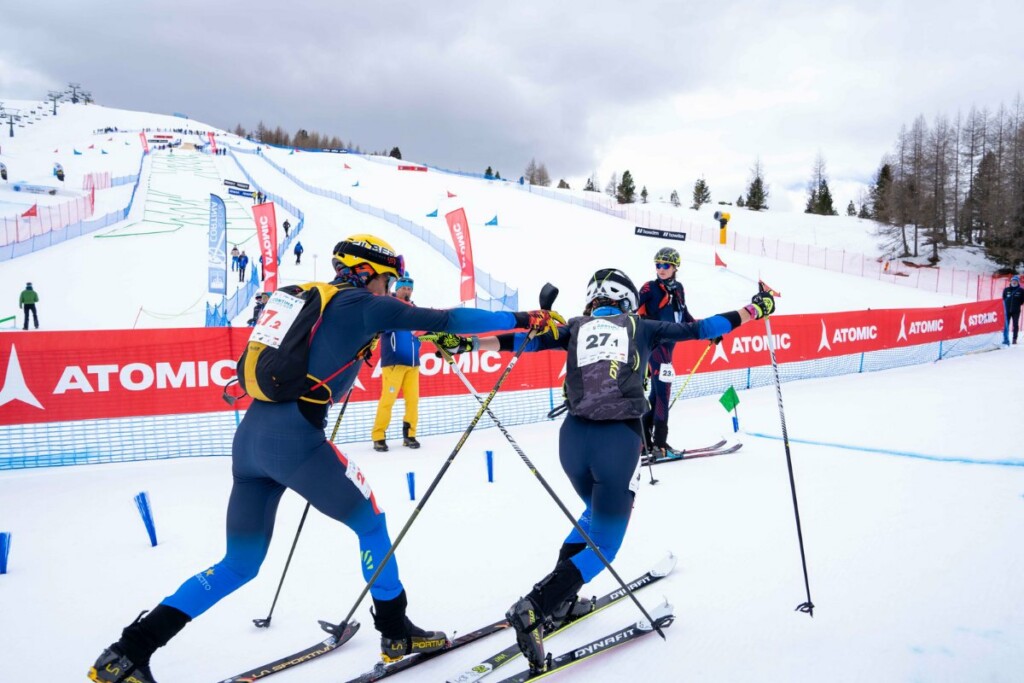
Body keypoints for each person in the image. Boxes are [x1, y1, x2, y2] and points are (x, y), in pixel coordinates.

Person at [87, 234, 564, 683]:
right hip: (294, 440)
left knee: (239, 563)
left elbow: (379, 346)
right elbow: (445, 320)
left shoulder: (310, 299)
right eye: (388, 279)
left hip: (252, 436)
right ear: (365, 271)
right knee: (372, 524)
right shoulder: (361, 303)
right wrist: (524, 319)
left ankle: (126, 654)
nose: (391, 289)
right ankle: (396, 633)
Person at [427, 268, 775, 675]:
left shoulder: (574, 327)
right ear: (627, 300)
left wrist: (464, 345)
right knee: (606, 543)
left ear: (592, 300)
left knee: (591, 515)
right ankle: (536, 607)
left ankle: (563, 601)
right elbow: (703, 328)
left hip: (572, 441)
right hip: (617, 442)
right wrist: (757, 309)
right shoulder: (642, 326)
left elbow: (520, 341)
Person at [636, 247, 694, 457]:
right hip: (656, 346)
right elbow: (632, 312)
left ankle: (644, 442)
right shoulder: (648, 288)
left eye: (665, 265)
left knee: (656, 394)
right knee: (663, 394)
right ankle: (660, 444)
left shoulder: (678, 288)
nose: (661, 269)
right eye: (658, 265)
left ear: (675, 267)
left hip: (670, 347)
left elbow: (684, 314)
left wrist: (706, 331)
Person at [371, 274, 421, 451]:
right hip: (394, 363)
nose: (406, 291)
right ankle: (379, 436)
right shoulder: (388, 306)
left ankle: (410, 435)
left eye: (409, 289)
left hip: (413, 363)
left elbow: (420, 331)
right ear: (396, 289)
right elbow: (380, 327)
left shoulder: (414, 309)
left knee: (413, 401)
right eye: (403, 288)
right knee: (388, 400)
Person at [1003, 275, 1023, 345]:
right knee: (1006, 325)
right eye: (1013, 281)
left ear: (1018, 282)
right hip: (1007, 311)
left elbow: (1022, 301)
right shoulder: (1006, 289)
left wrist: (1016, 305)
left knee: (1015, 325)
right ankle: (1005, 339)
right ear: (1011, 281)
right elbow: (1003, 298)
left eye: (1015, 281)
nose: (1014, 282)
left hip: (1016, 311)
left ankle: (1014, 339)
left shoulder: (1021, 290)